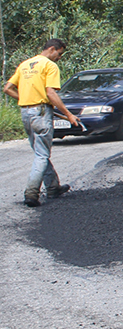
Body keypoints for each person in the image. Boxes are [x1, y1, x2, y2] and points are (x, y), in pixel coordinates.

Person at [3, 39, 80, 207]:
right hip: (41, 112)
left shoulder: (24, 65)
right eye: (59, 54)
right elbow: (50, 93)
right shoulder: (50, 66)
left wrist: (24, 99)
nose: (59, 58)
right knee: (42, 154)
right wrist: (69, 114)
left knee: (40, 152)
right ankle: (31, 193)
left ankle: (53, 188)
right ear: (52, 49)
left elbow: (7, 88)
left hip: (26, 113)